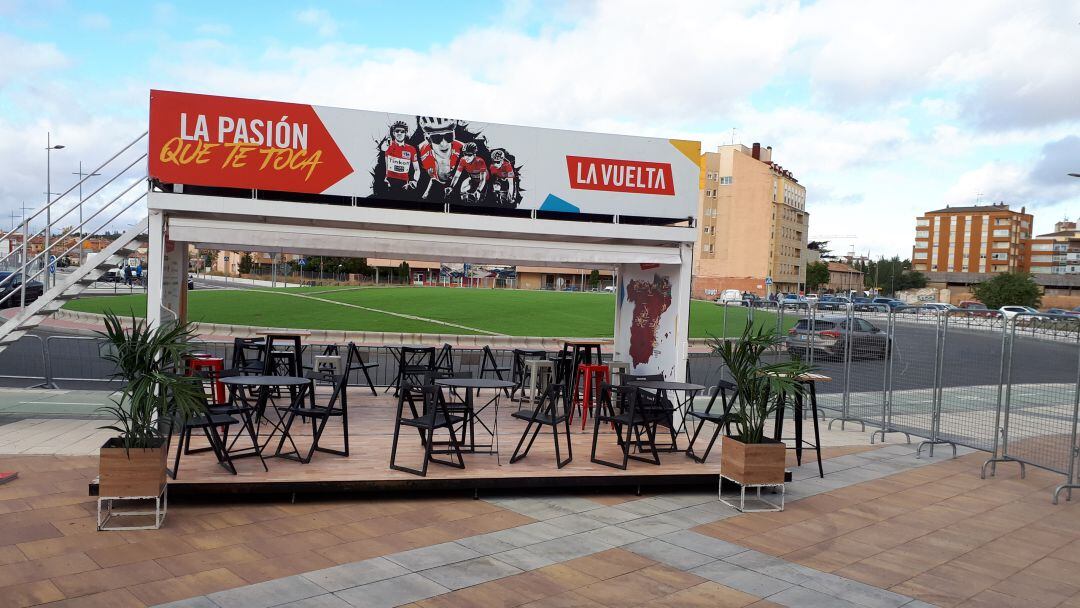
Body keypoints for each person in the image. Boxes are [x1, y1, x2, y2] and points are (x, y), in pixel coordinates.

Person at [417, 116, 463, 200]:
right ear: (428, 139)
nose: (444, 144)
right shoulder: (419, 151)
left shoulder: (463, 150)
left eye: (449, 136)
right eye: (436, 138)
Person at [379, 120, 419, 195]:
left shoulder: (411, 149)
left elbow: (417, 169)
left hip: (404, 185)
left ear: (406, 133)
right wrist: (387, 143)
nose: (399, 133)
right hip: (389, 183)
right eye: (397, 131)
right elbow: (383, 148)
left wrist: (415, 181)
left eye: (402, 131)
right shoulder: (389, 144)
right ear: (394, 133)